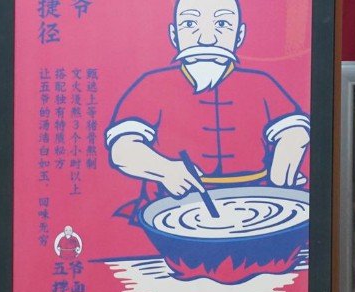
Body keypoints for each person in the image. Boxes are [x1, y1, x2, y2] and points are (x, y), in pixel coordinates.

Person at [106, 0, 310, 210]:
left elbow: (295, 129)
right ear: (174, 35)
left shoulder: (261, 83)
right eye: (190, 24)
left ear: (239, 35)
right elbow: (123, 149)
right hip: (170, 204)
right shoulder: (151, 85)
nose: (207, 39)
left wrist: (288, 151)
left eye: (221, 24)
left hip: (258, 201)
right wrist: (165, 169)